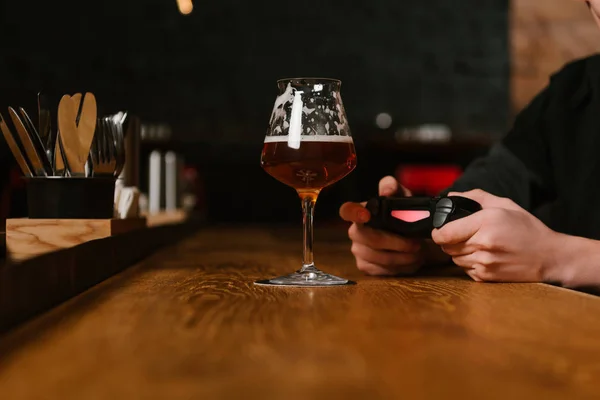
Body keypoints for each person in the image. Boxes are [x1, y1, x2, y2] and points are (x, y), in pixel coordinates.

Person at [340, 0, 600, 288]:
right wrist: (422, 239)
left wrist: (558, 257)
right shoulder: (572, 92)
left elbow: (548, 254)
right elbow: (491, 183)